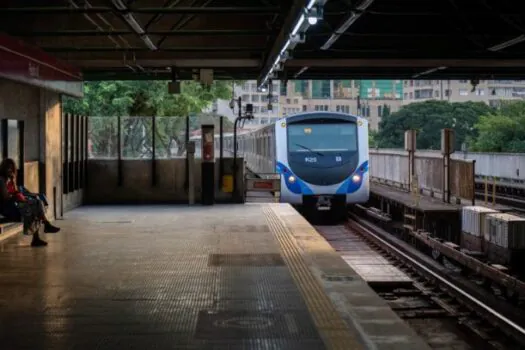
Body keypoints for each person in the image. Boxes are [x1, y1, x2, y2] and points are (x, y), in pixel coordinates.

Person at [0, 158, 60, 247]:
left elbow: (15, 191)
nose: (10, 170)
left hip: (15, 204)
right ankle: (42, 230)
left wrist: (13, 182)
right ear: (3, 168)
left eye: (12, 168)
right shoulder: (1, 180)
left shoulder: (10, 179)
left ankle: (42, 230)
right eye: (8, 168)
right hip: (7, 207)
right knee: (33, 208)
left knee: (37, 202)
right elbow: (6, 197)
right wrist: (17, 196)